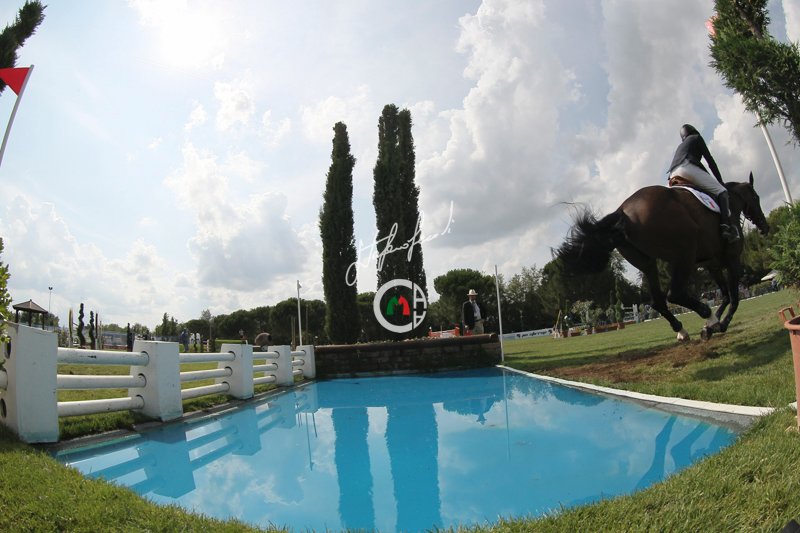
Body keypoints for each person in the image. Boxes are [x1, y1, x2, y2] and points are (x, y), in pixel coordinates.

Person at [667, 123, 740, 243]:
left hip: (673, 174)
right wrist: (720, 181)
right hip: (687, 168)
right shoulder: (696, 138)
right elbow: (710, 161)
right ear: (694, 131)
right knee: (722, 191)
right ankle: (725, 227)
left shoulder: (680, 146)